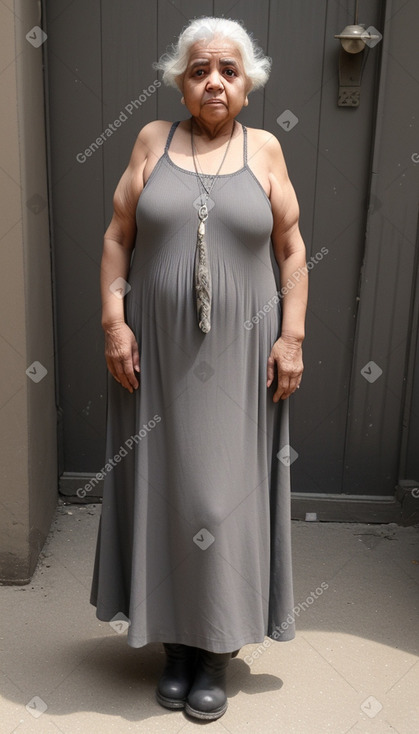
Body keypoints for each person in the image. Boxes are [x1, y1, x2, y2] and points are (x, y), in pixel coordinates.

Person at [90, 16, 308, 722]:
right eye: (198, 70)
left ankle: (216, 648)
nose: (213, 81)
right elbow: (117, 237)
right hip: (154, 352)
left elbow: (292, 252)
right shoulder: (153, 140)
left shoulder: (266, 149)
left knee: (222, 499)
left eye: (228, 71)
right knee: (169, 493)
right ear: (180, 81)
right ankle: (175, 648)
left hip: (241, 356)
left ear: (247, 83)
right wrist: (114, 322)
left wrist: (291, 337)